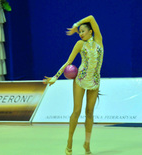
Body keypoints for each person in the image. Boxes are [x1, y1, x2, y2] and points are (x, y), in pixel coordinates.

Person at [43, 15, 104, 155]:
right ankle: (69, 141)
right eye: (79, 31)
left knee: (89, 113)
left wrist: (77, 24)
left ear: (91, 31)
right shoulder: (79, 44)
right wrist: (55, 77)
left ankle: (87, 143)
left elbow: (92, 18)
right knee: (77, 111)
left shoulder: (99, 41)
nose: (81, 33)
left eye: (83, 31)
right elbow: (68, 62)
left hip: (95, 82)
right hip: (81, 80)